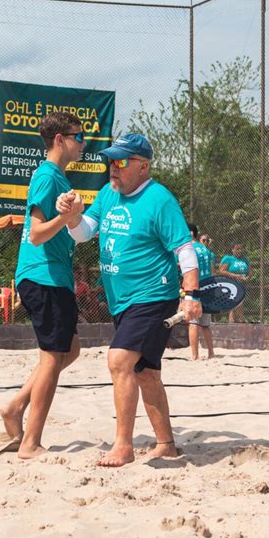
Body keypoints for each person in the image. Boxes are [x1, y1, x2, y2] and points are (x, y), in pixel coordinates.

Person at [57, 133, 201, 467]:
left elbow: (184, 248)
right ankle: (165, 443)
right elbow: (82, 234)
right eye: (111, 161)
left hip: (153, 295)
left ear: (143, 166)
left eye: (121, 162)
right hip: (122, 301)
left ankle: (122, 446)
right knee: (145, 371)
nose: (113, 168)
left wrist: (191, 294)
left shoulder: (159, 199)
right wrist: (71, 216)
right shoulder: (109, 194)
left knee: (120, 360)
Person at [0, 111, 86, 460]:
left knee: (71, 349)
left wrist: (74, 214)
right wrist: (67, 217)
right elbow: (36, 234)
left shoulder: (60, 179)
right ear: (59, 140)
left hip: (54, 276)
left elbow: (70, 230)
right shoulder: (48, 176)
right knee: (52, 358)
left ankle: (16, 405)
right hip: (43, 275)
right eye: (78, 137)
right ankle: (31, 442)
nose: (83, 143)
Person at [188, 224, 215, 360]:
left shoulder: (188, 248)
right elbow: (211, 268)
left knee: (193, 323)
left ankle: (195, 356)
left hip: (195, 287)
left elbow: (180, 266)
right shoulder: (205, 249)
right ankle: (211, 353)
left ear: (191, 233)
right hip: (209, 287)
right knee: (205, 325)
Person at [219, 243, 252, 323]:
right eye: (237, 249)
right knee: (233, 300)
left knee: (241, 301)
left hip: (242, 283)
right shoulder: (228, 258)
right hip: (231, 283)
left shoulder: (245, 259)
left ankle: (241, 319)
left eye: (241, 249)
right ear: (232, 249)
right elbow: (222, 271)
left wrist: (247, 277)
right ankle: (232, 321)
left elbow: (250, 271)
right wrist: (235, 276)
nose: (239, 251)